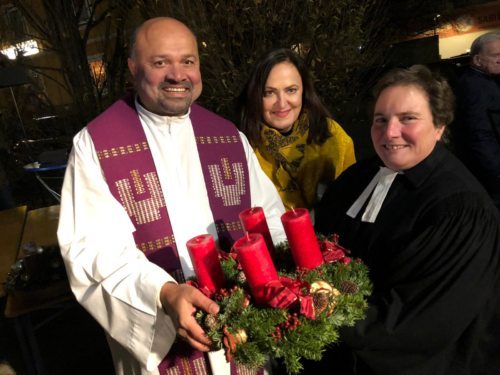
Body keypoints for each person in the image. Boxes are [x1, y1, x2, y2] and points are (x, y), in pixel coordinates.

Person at [57, 17, 286, 375]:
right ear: (133, 68)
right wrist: (163, 293)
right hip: (162, 337)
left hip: (242, 334)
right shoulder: (96, 145)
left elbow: (268, 218)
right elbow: (92, 249)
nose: (177, 75)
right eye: (160, 62)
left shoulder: (227, 136)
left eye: (188, 61)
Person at [314, 65, 500, 374]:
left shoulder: (461, 208)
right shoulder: (356, 178)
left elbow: (420, 322)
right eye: (380, 120)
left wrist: (319, 311)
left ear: (439, 125)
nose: (390, 132)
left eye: (408, 119)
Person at [238, 48, 355, 211]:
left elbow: (354, 199)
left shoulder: (332, 136)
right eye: (269, 92)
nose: (282, 103)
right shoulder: (244, 148)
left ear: (304, 91)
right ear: (256, 96)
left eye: (290, 90)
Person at [452, 31, 500, 210]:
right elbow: (478, 134)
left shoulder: (486, 80)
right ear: (478, 60)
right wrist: (497, 172)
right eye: (496, 56)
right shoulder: (474, 87)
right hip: (490, 177)